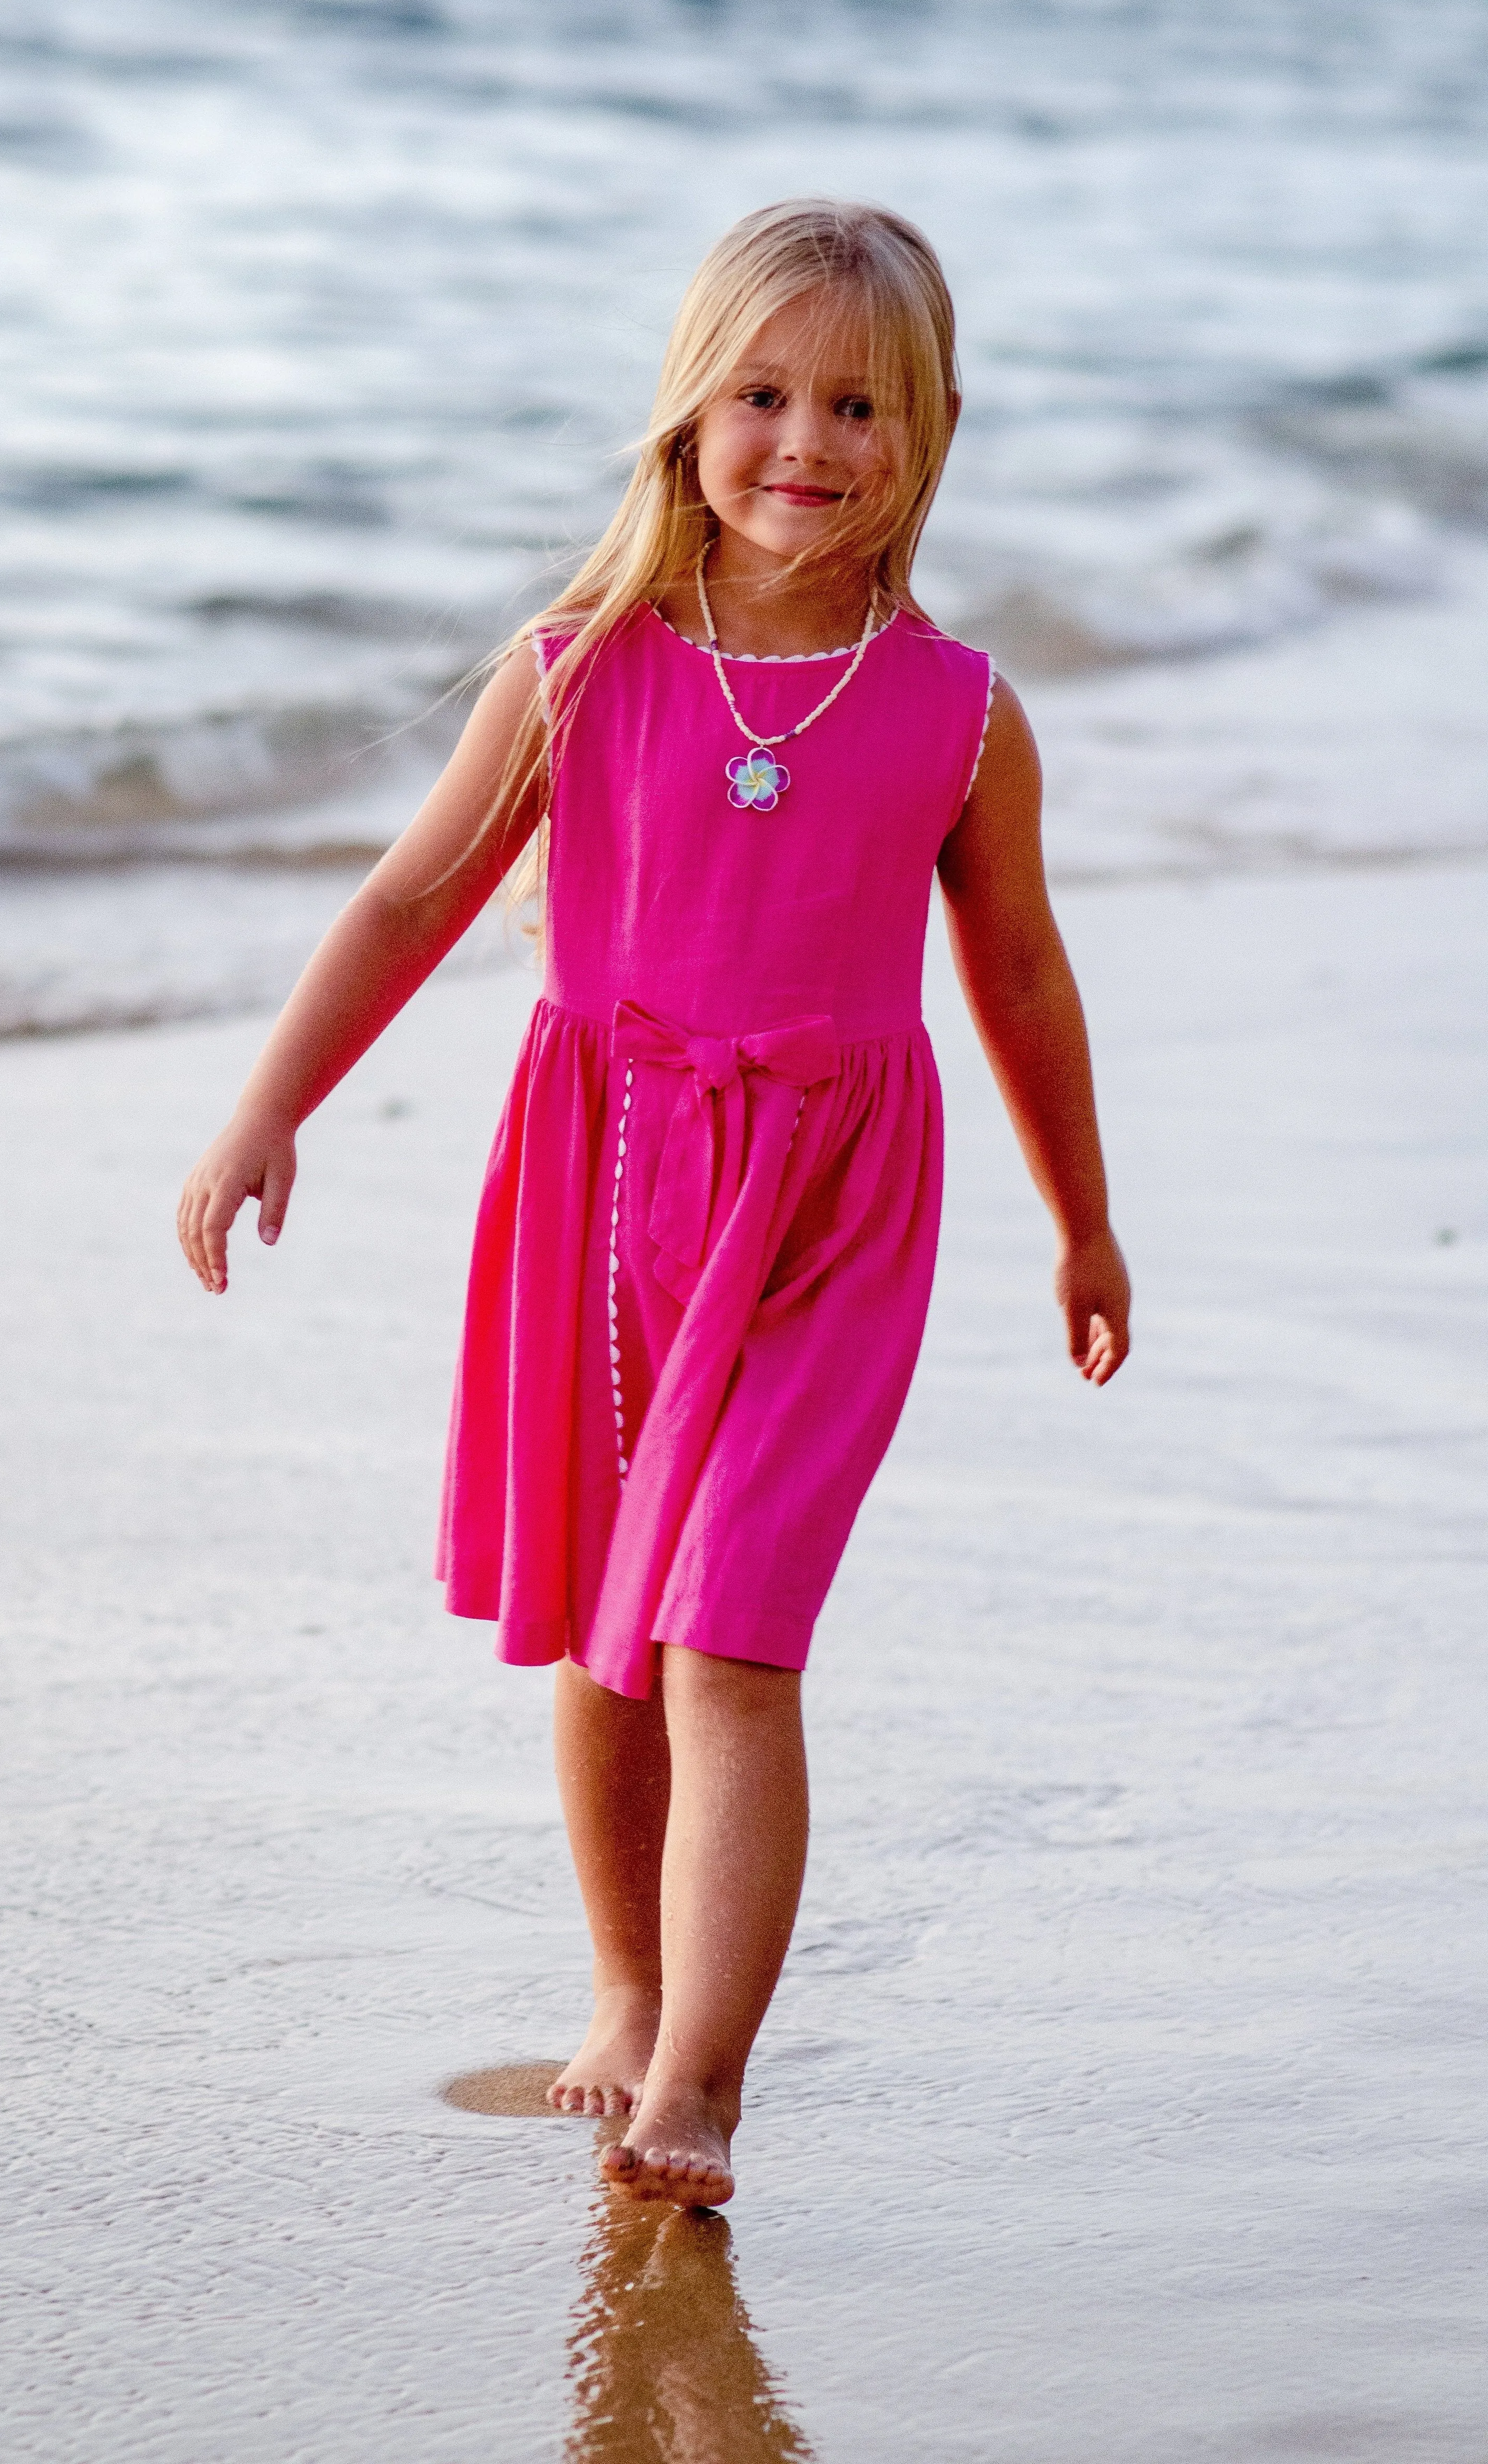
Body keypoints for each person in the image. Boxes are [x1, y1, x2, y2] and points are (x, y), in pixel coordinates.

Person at [177, 198, 1131, 2210]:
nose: (810, 439)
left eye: (861, 402)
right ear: (689, 417)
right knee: (606, 1648)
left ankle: (700, 2080)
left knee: (732, 1645)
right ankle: (624, 1998)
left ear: (932, 429)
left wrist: (1086, 1220)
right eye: (765, 392)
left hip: (832, 1219)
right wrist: (268, 1109)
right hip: (601, 1197)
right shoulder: (578, 670)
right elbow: (412, 899)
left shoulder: (961, 714)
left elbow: (1021, 976)